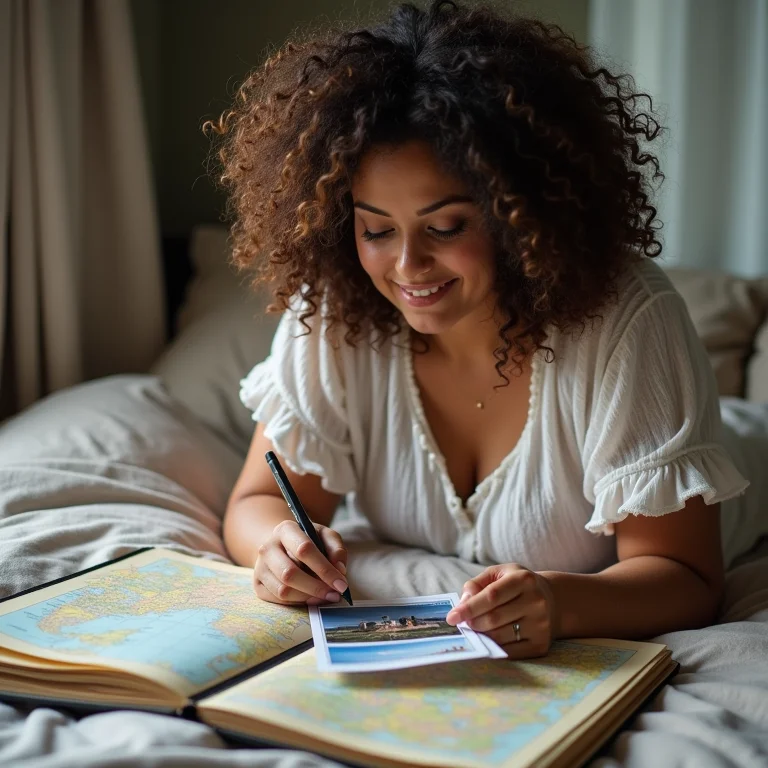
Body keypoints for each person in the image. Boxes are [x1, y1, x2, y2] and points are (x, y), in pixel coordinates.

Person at [209, 0, 756, 659]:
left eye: (445, 227)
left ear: (522, 214)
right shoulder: (335, 313)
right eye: (376, 229)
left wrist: (560, 601)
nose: (407, 266)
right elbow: (260, 500)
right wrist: (280, 550)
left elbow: (689, 579)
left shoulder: (630, 323)